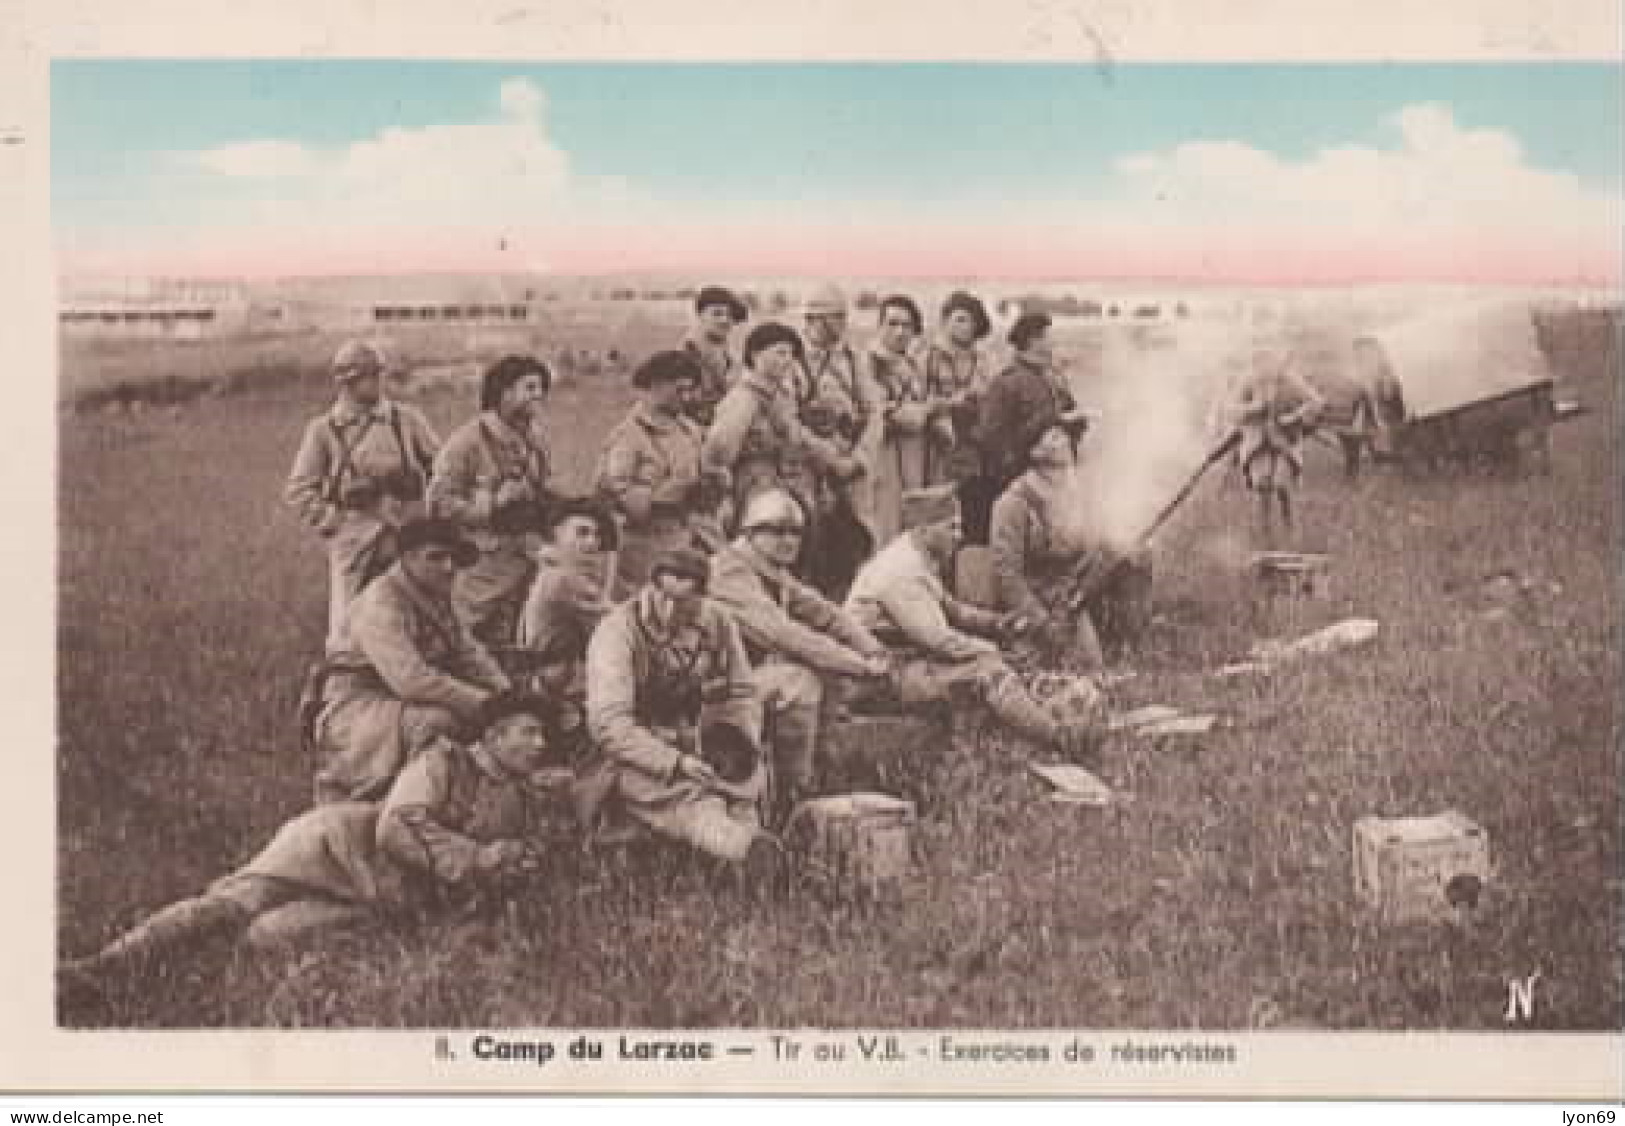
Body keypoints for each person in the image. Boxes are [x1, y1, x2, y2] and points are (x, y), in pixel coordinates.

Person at [59, 694, 576, 996]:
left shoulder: (519, 798)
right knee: (230, 906)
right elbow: (396, 827)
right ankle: (101, 969)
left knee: (267, 939)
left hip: (380, 895)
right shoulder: (441, 762)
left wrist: (511, 868)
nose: (539, 745)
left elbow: (498, 870)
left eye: (543, 738)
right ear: (493, 734)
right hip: (335, 847)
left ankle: (183, 978)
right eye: (528, 733)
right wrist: (477, 858)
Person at [845, 487, 1106, 760]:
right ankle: (1059, 740)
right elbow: (940, 641)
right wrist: (992, 651)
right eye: (951, 528)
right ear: (923, 530)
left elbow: (949, 607)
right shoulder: (900, 572)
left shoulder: (914, 552)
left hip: (896, 660)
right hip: (875, 678)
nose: (959, 536)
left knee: (991, 661)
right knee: (988, 671)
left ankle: (1034, 727)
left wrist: (996, 624)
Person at [577, 547, 781, 872]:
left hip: (699, 740)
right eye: (664, 596)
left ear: (702, 596)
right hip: (634, 749)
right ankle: (739, 847)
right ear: (652, 587)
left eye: (684, 601)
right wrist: (675, 761)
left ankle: (753, 852)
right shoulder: (616, 631)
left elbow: (742, 692)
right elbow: (609, 725)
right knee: (683, 796)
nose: (671, 611)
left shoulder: (718, 622)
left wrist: (733, 743)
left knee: (740, 790)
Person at [707, 489, 893, 812]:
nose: (789, 540)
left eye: (796, 532)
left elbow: (826, 613)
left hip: (740, 677)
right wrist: (858, 665)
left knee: (824, 673)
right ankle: (792, 797)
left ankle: (819, 774)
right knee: (798, 681)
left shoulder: (771, 571)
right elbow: (785, 635)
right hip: (708, 685)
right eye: (777, 530)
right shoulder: (728, 571)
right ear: (750, 534)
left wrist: (872, 647)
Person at [313, 518, 513, 804]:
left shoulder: (436, 594)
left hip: (401, 696)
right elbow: (411, 679)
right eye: (436, 557)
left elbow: (470, 653)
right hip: (356, 703)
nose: (448, 567)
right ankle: (403, 805)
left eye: (453, 558)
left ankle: (459, 801)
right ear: (407, 558)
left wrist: (508, 696)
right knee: (437, 723)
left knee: (488, 721)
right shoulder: (380, 603)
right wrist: (483, 702)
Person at [284, 340, 441, 653]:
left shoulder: (406, 420)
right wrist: (335, 521)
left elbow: (442, 467)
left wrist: (428, 509)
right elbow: (299, 490)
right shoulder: (324, 430)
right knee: (346, 627)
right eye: (370, 377)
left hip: (406, 533)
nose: (379, 383)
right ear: (348, 383)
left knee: (418, 613)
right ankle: (341, 686)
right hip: (354, 537)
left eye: (380, 375)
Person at [989, 417, 1153, 672]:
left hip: (1077, 582)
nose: (1064, 440)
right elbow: (1007, 576)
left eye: (1063, 435)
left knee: (1136, 556)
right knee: (1086, 668)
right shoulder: (1012, 503)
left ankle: (1126, 646)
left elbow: (1098, 535)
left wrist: (1121, 542)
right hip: (1041, 598)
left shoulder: (1079, 488)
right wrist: (1042, 622)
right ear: (1033, 452)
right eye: (1053, 436)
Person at [428, 354, 556, 648]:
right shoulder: (466, 444)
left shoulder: (537, 439)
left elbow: (544, 486)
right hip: (480, 561)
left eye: (541, 389)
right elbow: (439, 504)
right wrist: (491, 506)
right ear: (503, 393)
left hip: (527, 554)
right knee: (460, 635)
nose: (539, 396)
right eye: (530, 388)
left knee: (516, 636)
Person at [701, 321, 856, 543]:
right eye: (780, 353)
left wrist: (833, 457)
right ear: (755, 355)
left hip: (783, 480)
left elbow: (798, 435)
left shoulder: (778, 396)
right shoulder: (744, 399)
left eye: (791, 355)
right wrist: (724, 499)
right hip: (754, 485)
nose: (787, 361)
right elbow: (717, 453)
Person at [799, 283, 886, 596]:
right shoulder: (794, 361)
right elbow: (790, 423)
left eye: (842, 316)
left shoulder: (852, 360)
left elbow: (875, 411)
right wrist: (828, 459)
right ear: (815, 320)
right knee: (808, 536)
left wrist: (859, 459)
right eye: (836, 317)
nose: (842, 324)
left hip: (852, 465)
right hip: (811, 467)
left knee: (861, 535)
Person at [594, 350, 706, 591]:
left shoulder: (691, 431)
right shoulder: (628, 436)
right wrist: (670, 491)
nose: (686, 398)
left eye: (690, 390)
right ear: (655, 386)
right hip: (641, 543)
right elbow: (617, 496)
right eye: (679, 390)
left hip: (686, 533)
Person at [514, 496, 619, 702]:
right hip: (562, 689)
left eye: (596, 535)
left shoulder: (555, 572)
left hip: (557, 681)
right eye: (582, 532)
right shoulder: (562, 579)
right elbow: (617, 623)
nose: (592, 542)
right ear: (557, 534)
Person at [1230, 346, 1326, 545]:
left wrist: (1294, 417)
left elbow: (1316, 402)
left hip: (1285, 442)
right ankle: (1265, 536)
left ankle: (1292, 534)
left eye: (1270, 364)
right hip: (1256, 443)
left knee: (1283, 486)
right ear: (1255, 365)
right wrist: (1252, 408)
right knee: (1262, 487)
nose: (1266, 370)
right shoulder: (1248, 380)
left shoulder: (1290, 379)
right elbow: (1230, 408)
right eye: (1260, 365)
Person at [922, 291, 998, 542]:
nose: (966, 326)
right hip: (938, 444)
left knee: (975, 509)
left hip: (976, 446)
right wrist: (947, 406)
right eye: (959, 319)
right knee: (939, 508)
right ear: (945, 320)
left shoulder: (984, 359)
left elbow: (993, 396)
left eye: (971, 321)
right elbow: (919, 399)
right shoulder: (927, 355)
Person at [865, 295, 940, 547]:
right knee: (886, 529)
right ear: (880, 326)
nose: (899, 332)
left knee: (912, 527)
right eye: (892, 324)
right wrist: (922, 411)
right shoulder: (869, 363)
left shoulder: (912, 364)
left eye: (906, 325)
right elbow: (879, 410)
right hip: (884, 455)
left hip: (914, 456)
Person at [979, 311, 1081, 493]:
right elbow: (994, 441)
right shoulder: (1006, 383)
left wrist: (1077, 423)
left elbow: (1069, 416)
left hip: (1056, 477)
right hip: (1022, 483)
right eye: (1049, 337)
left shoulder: (1053, 378)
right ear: (1033, 341)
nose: (1053, 343)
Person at [681, 285, 750, 428]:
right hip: (701, 426)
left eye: (729, 315)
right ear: (700, 316)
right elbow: (695, 403)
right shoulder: (692, 349)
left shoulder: (720, 342)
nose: (725, 320)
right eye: (717, 314)